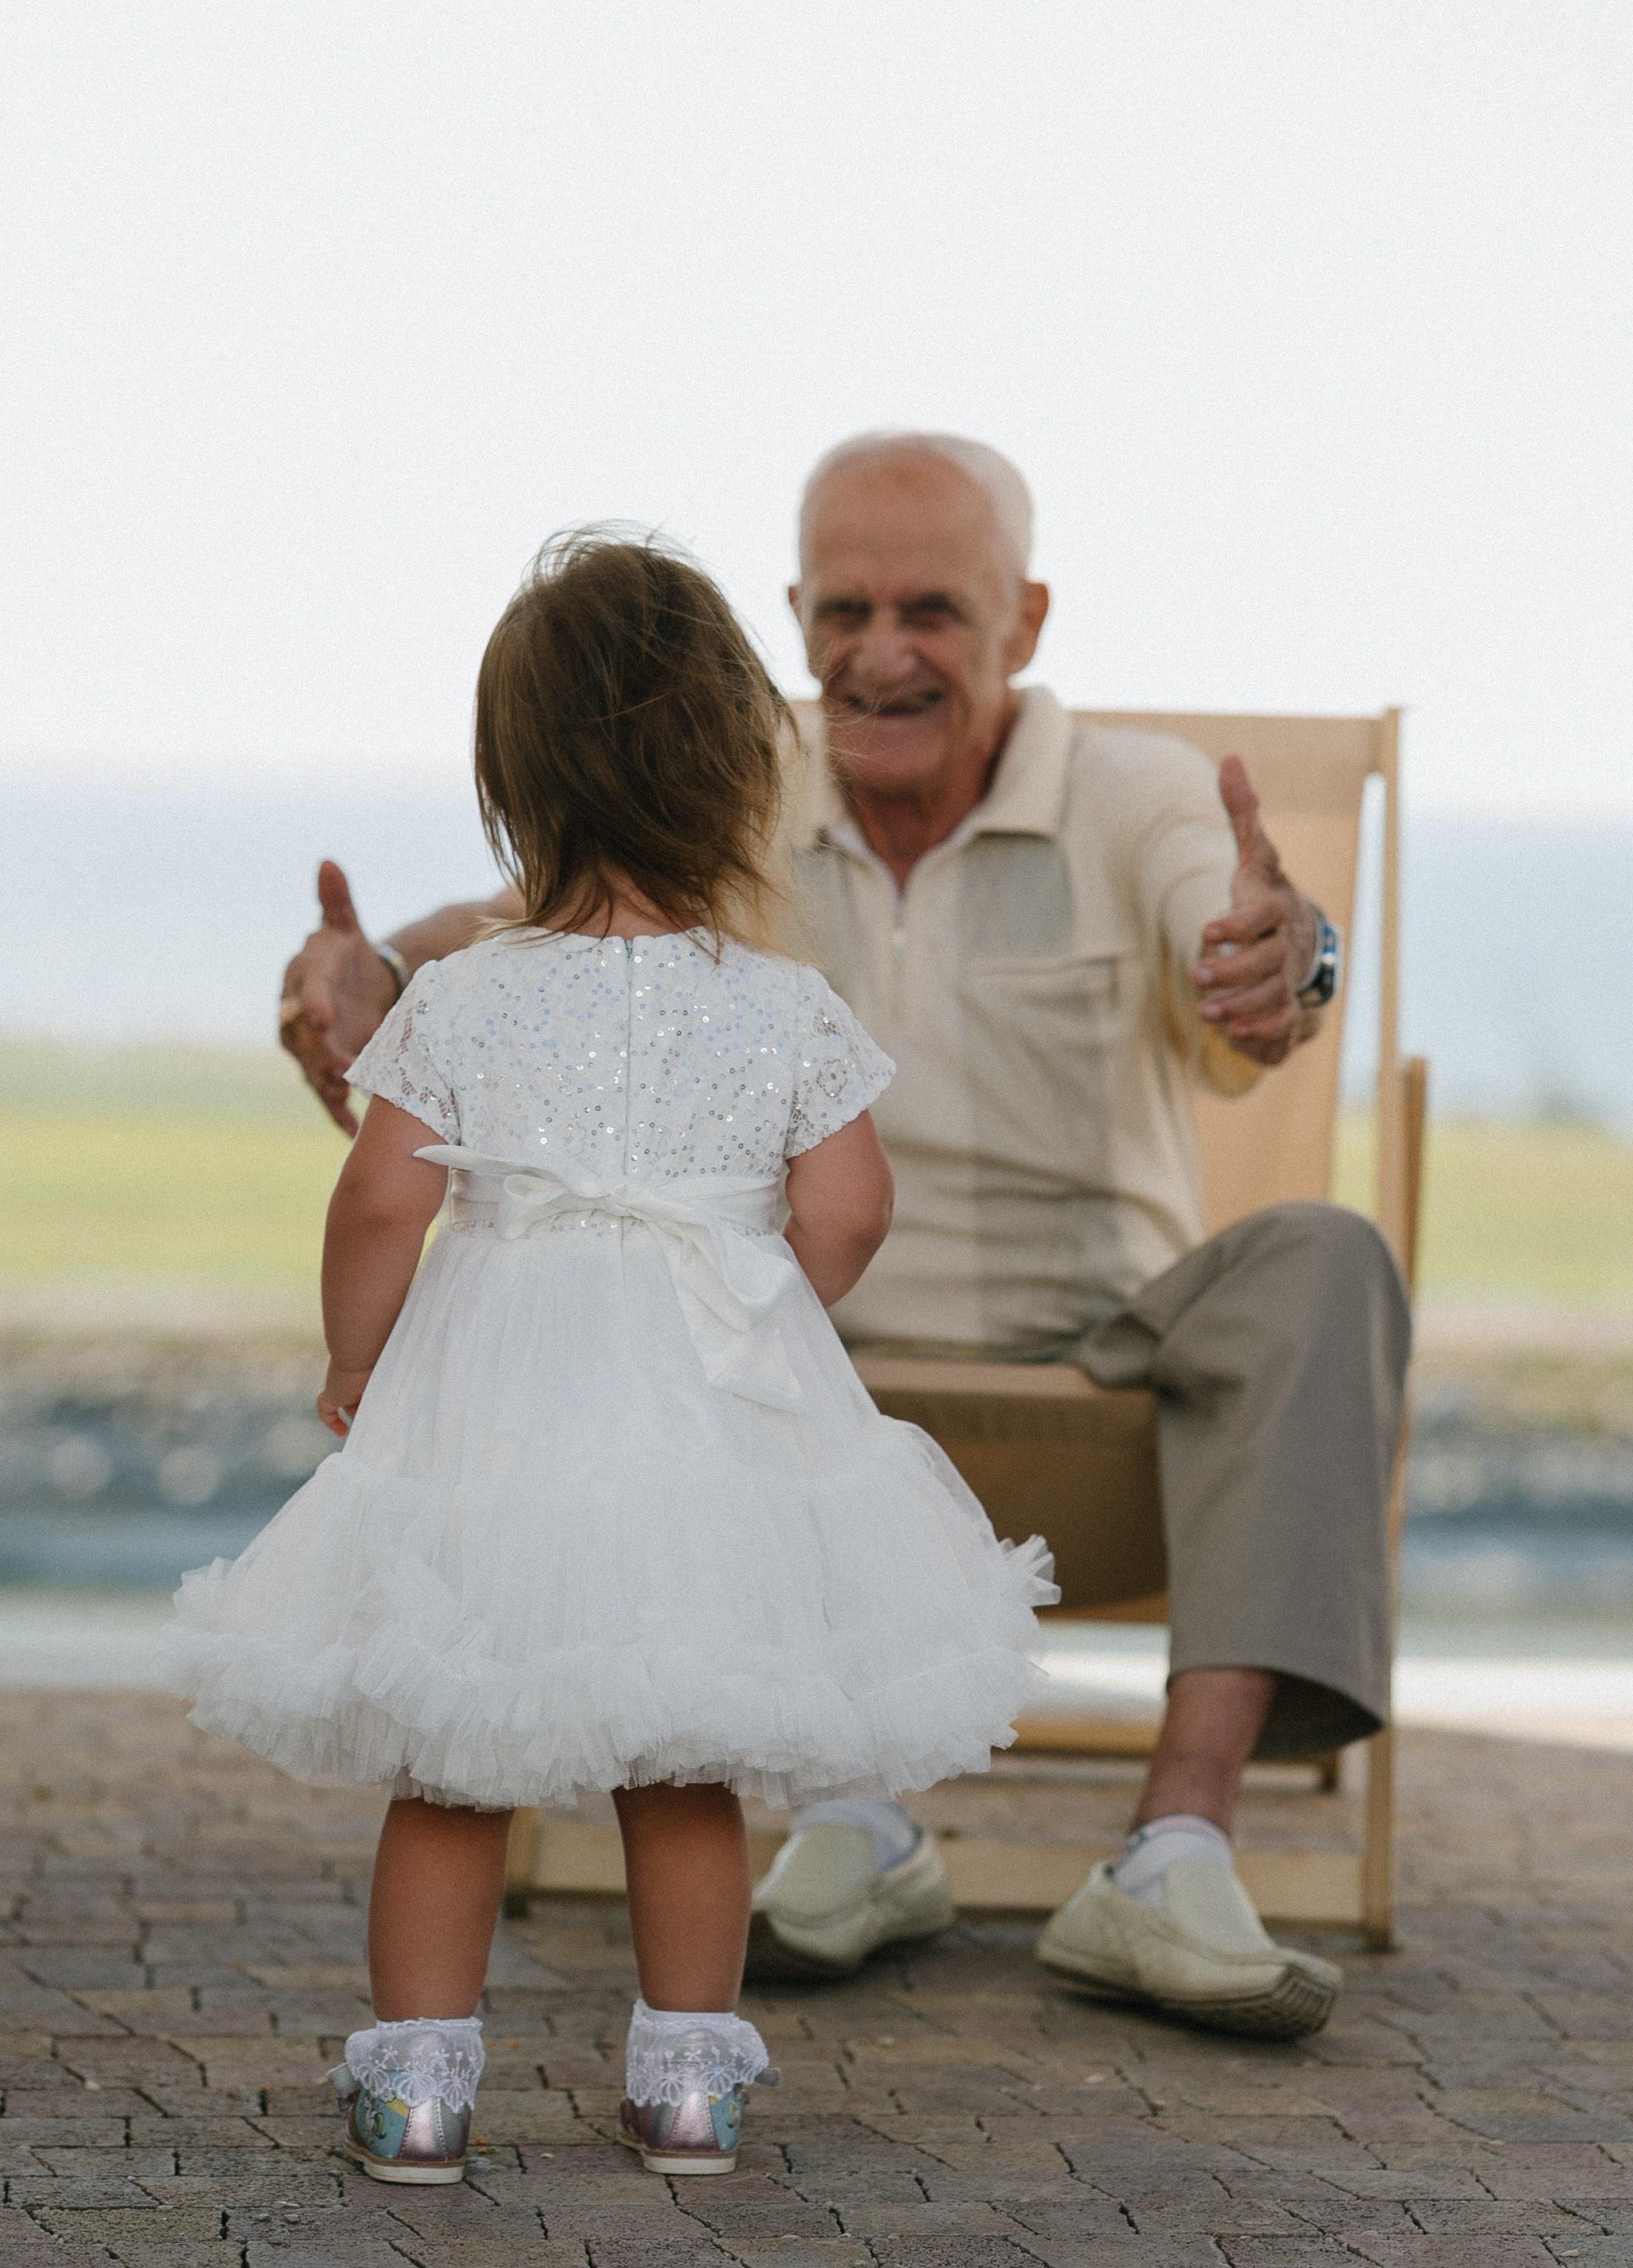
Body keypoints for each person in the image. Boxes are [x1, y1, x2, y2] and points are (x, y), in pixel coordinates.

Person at [279, 434, 1410, 2044]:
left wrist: (1288, 955)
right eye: (847, 608)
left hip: (1096, 1384)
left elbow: (1236, 927)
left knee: (1325, 1253)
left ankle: (1174, 1845)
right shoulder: (732, 785)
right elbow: (522, 941)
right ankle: (851, 1821)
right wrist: (360, 972)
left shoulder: (1142, 790)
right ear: (796, 614)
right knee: (680, 1307)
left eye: (934, 609)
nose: (884, 651)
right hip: (794, 1398)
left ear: (1024, 615)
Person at [169, 531, 1055, 2183]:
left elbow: (378, 1204)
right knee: (682, 1754)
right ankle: (688, 2091)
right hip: (710, 1409)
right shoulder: (784, 1003)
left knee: (452, 1750)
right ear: (738, 770)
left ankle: (423, 2093)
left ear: (512, 783)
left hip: (493, 1404)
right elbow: (852, 1210)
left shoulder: (462, 999)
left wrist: (358, 1363)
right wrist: (763, 1302)